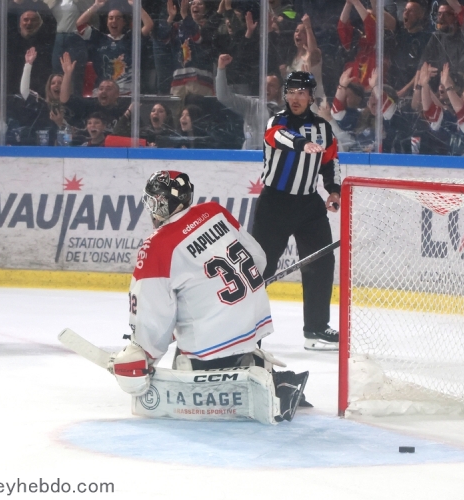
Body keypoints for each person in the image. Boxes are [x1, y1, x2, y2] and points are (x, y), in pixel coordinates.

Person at [112, 170, 310, 423]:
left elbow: (152, 313)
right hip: (253, 323)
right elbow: (258, 259)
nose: (154, 210)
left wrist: (142, 355)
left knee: (179, 365)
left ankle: (249, 386)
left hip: (210, 344)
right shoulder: (215, 212)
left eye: (157, 203)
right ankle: (256, 366)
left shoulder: (158, 246)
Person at [253, 71, 341, 351]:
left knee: (321, 264)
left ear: (311, 97)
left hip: (308, 205)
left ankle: (315, 329)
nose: (295, 98)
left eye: (301, 93)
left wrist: (334, 190)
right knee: (259, 267)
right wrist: (304, 144)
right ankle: (245, 329)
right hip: (274, 204)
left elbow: (330, 162)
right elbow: (278, 137)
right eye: (291, 92)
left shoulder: (323, 129)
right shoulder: (277, 121)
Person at [217, 53, 285, 150]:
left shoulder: (288, 110)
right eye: (264, 84)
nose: (266, 88)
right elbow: (223, 96)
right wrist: (221, 69)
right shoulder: (250, 105)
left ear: (279, 89)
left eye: (271, 85)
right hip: (250, 156)